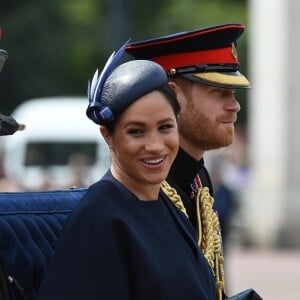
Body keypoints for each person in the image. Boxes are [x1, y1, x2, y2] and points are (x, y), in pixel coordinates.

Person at [38, 42, 218, 300]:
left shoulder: (166, 205)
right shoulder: (99, 218)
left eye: (165, 127)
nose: (155, 146)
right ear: (107, 136)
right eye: (136, 131)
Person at [126, 24, 262, 299]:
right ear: (174, 96)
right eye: (219, 92)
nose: (234, 105)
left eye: (234, 93)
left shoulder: (197, 178)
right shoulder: (143, 190)